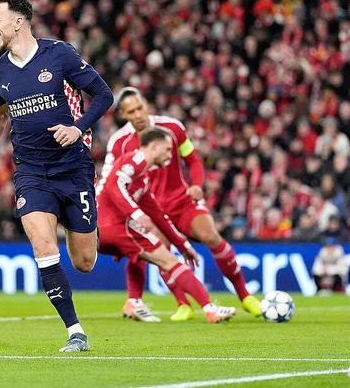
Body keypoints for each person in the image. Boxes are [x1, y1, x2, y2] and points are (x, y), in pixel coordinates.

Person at [0, 0, 114, 352]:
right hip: (31, 172)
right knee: (43, 245)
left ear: (18, 21)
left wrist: (78, 128)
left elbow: (104, 95)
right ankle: (75, 331)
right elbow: (0, 112)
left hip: (73, 168)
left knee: (84, 262)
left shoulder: (59, 54)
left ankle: (78, 224)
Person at [97, 87, 261, 321]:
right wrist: (128, 212)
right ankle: (183, 304)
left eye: (140, 108)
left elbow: (193, 159)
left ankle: (244, 295)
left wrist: (198, 185)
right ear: (123, 114)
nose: (138, 114)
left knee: (211, 236)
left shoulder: (172, 128)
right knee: (155, 253)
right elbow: (109, 182)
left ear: (146, 105)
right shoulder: (119, 142)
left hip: (181, 200)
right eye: (131, 111)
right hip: (149, 209)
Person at [97, 128, 236, 323]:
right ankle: (210, 309)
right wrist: (136, 213)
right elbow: (114, 186)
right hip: (114, 226)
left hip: (96, 233)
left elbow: (159, 216)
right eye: (168, 149)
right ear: (154, 146)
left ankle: (134, 302)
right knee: (171, 262)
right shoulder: (134, 159)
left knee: (138, 254)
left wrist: (183, 245)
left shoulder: (143, 179)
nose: (171, 155)